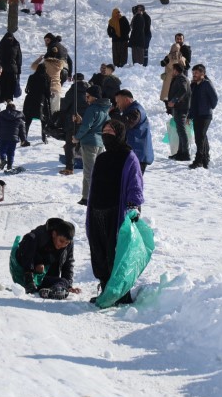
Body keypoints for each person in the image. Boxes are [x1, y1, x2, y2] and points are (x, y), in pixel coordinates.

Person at [86, 120, 144, 305]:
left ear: (119, 134)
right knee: (99, 251)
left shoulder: (128, 156)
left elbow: (135, 183)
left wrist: (133, 205)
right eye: (104, 131)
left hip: (116, 212)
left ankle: (121, 294)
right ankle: (106, 290)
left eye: (111, 131)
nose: (106, 134)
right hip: (97, 211)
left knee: (116, 253)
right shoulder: (102, 157)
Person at [15, 218, 78, 299]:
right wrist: (35, 265)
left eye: (66, 243)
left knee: (63, 281)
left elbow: (68, 263)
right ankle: (54, 289)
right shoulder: (38, 236)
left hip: (45, 278)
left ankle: (55, 290)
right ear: (54, 234)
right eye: (61, 241)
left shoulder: (68, 244)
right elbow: (24, 253)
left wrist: (68, 286)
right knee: (30, 239)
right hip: (28, 275)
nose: (63, 245)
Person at [73, 85, 110, 205]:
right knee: (90, 171)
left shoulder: (92, 109)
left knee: (89, 172)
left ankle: (97, 197)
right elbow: (96, 124)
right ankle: (85, 197)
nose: (86, 99)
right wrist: (81, 120)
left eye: (88, 96)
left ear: (93, 97)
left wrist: (76, 137)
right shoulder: (104, 109)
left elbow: (86, 126)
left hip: (89, 143)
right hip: (100, 143)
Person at [109, 90, 153, 172]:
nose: (117, 105)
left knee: (133, 183)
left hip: (137, 155)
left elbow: (124, 124)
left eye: (118, 102)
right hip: (134, 154)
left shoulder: (135, 111)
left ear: (127, 100)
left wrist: (113, 113)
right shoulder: (131, 110)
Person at [187, 64, 218, 169]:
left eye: (196, 73)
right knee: (201, 136)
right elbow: (192, 103)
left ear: (202, 74)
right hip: (196, 115)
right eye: (193, 73)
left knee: (200, 136)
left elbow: (214, 98)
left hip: (205, 115)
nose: (194, 75)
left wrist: (209, 107)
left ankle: (199, 160)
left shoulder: (206, 84)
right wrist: (189, 116)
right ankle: (205, 157)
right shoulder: (194, 85)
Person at [59, 74, 89, 176]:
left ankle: (69, 168)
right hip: (86, 121)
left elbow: (64, 106)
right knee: (84, 142)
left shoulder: (72, 91)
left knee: (70, 144)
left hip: (73, 120)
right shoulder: (89, 90)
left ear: (74, 80)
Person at [165, 63, 191, 161]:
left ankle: (185, 153)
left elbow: (183, 90)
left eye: (173, 70)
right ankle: (180, 153)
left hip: (181, 109)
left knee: (181, 131)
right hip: (178, 108)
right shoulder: (179, 78)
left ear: (176, 70)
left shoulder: (182, 78)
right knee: (180, 131)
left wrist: (174, 100)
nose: (172, 72)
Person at [0, 102, 27, 172]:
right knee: (11, 152)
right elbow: (22, 131)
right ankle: (10, 165)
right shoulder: (19, 118)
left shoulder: (1, 117)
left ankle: (3, 160)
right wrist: (23, 140)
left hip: (3, 137)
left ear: (6, 108)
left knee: (2, 150)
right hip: (13, 139)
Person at [22, 63, 51, 145]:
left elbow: (27, 89)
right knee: (43, 119)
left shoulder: (31, 77)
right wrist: (48, 100)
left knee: (28, 119)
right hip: (41, 100)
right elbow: (47, 91)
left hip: (30, 99)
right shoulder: (47, 78)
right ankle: (43, 137)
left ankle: (24, 137)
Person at [0, 31, 22, 102]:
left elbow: (19, 58)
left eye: (10, 38)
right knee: (2, 84)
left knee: (10, 85)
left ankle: (9, 98)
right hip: (2, 69)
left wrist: (19, 70)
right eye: (8, 38)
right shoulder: (1, 45)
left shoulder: (16, 45)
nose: (9, 39)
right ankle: (1, 98)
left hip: (12, 69)